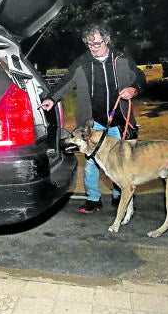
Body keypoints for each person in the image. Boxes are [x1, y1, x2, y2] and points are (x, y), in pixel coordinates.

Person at [40, 22, 146, 214]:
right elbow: (65, 82)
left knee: (119, 162)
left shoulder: (121, 59)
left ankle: (119, 194)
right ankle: (93, 199)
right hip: (93, 123)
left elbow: (140, 77)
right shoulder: (82, 63)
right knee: (91, 163)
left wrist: (134, 89)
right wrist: (51, 99)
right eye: (89, 45)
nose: (93, 49)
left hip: (119, 121)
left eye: (96, 44)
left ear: (106, 40)